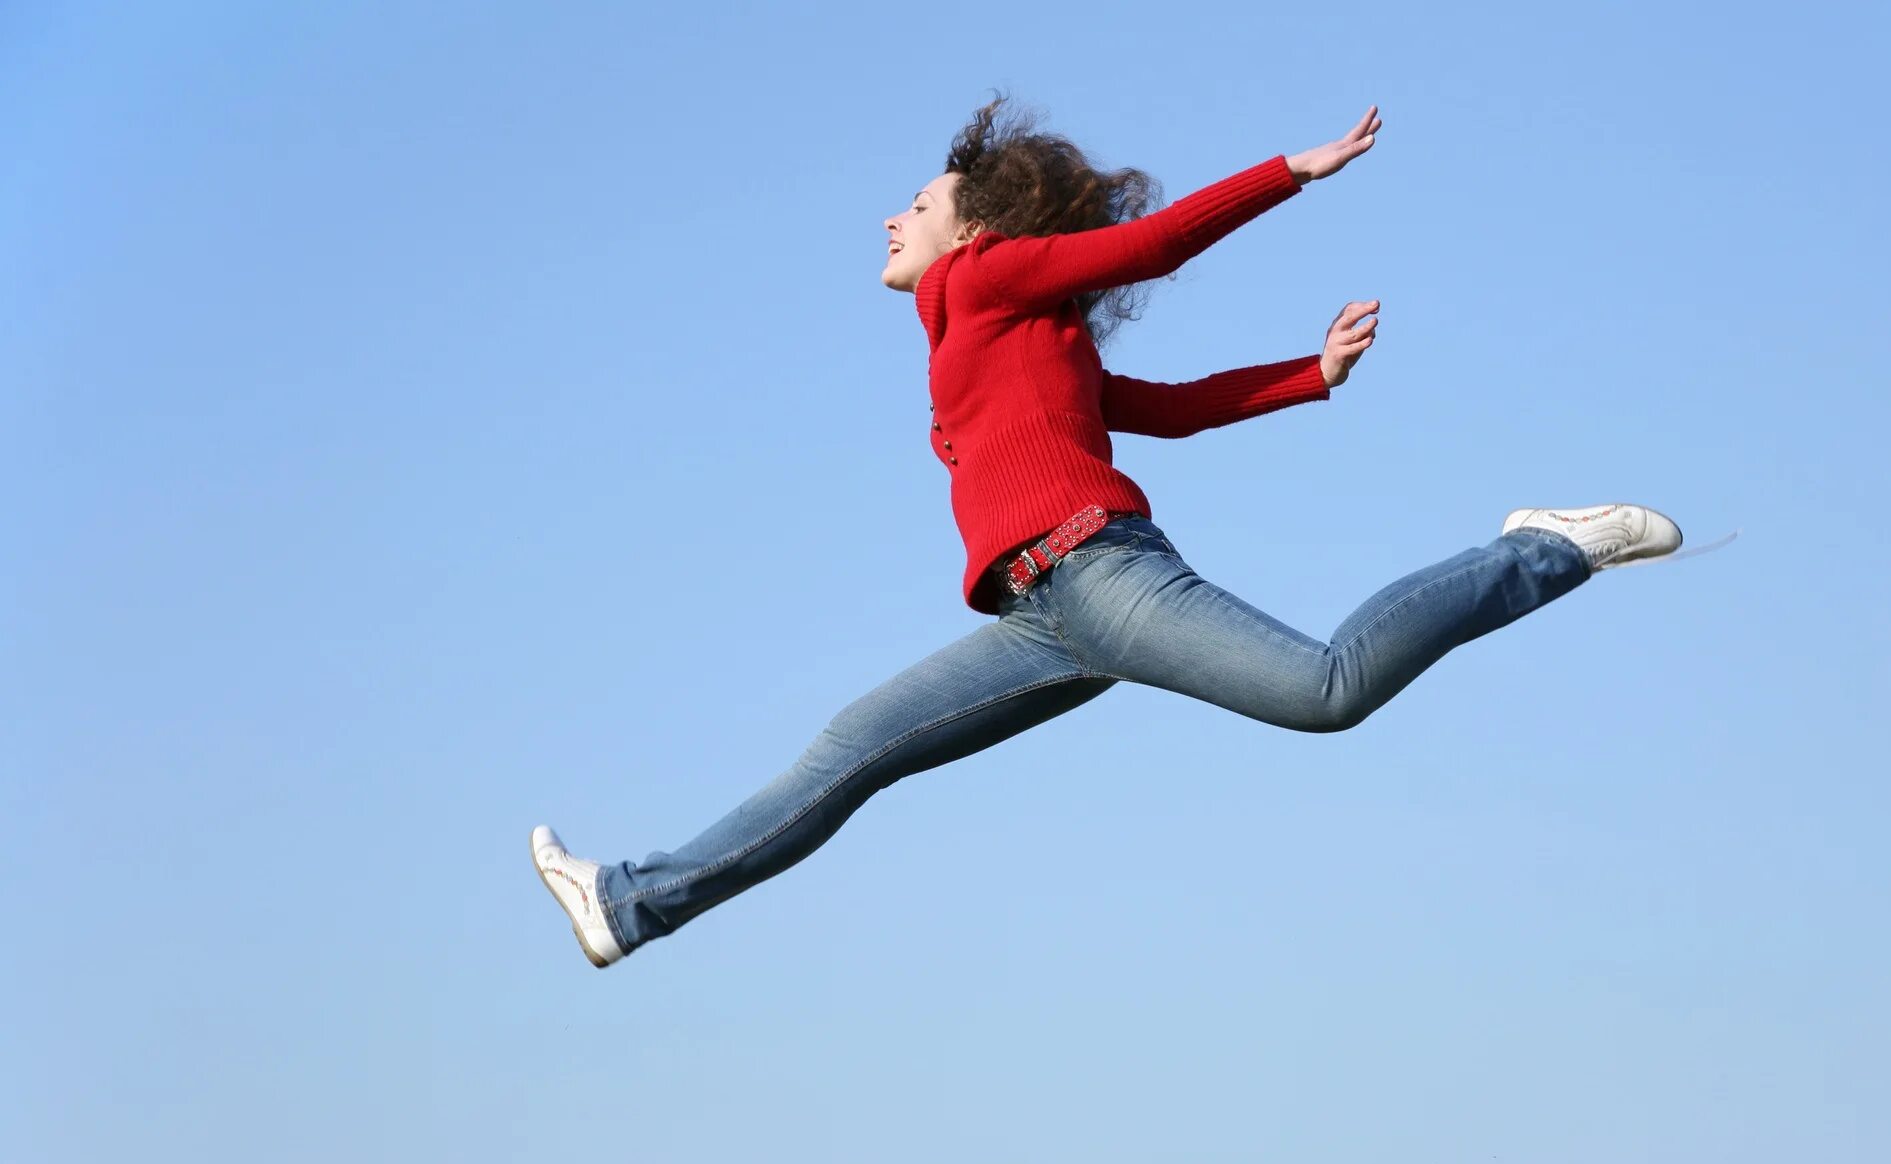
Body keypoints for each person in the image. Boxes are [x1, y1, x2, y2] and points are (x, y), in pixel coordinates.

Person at [532, 99, 1702, 969]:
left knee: (1328, 689)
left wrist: (1286, 173)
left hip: (1098, 573)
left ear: (976, 227)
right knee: (851, 752)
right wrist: (1312, 372)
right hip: (1042, 620)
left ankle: (1543, 545)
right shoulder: (1003, 340)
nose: (894, 218)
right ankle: (633, 902)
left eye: (920, 206)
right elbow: (1169, 409)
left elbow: (1148, 249)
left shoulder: (987, 280)